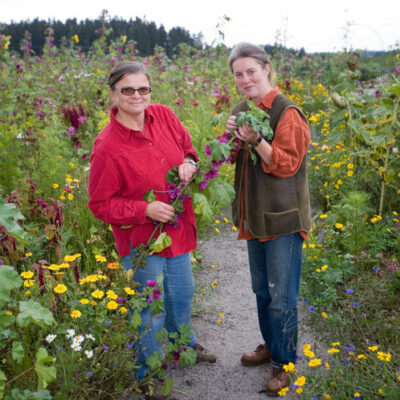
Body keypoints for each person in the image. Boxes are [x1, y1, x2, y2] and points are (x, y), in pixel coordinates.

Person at [88, 61, 216, 390]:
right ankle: (146, 375)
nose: (136, 96)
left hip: (177, 229)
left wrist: (189, 163)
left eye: (142, 89)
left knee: (182, 294)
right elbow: (100, 204)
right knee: (150, 309)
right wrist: (144, 208)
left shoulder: (164, 116)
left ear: (150, 91)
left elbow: (188, 148)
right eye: (127, 89)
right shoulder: (107, 146)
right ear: (113, 93)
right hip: (143, 241)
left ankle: (181, 347)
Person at [225, 43, 311, 396]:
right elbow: (233, 159)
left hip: (283, 220)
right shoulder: (243, 109)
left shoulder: (286, 111)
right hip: (255, 218)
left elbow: (287, 165)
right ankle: (271, 346)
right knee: (262, 291)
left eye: (250, 71)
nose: (245, 79)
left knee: (282, 297)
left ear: (267, 69)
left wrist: (257, 139)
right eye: (238, 74)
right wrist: (233, 137)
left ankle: (284, 364)